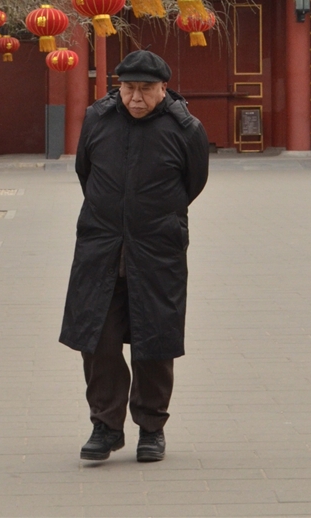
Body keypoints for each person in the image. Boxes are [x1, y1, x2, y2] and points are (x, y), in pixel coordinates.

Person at [59, 49, 209, 463]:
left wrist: (151, 217)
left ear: (164, 89)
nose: (136, 98)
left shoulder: (186, 129)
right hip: (100, 246)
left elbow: (192, 184)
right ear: (118, 86)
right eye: (128, 88)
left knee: (154, 340)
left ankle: (151, 428)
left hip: (157, 248)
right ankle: (105, 426)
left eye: (146, 89)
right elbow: (85, 173)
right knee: (98, 340)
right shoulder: (97, 119)